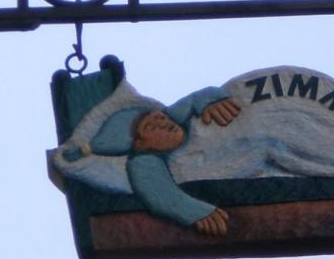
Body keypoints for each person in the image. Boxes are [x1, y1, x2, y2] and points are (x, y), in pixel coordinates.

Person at [63, 87, 242, 236]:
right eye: (151, 127)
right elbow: (160, 193)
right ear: (142, 145)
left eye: (158, 118)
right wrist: (196, 211)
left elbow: (196, 98)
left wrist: (211, 100)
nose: (163, 123)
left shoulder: (174, 117)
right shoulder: (142, 162)